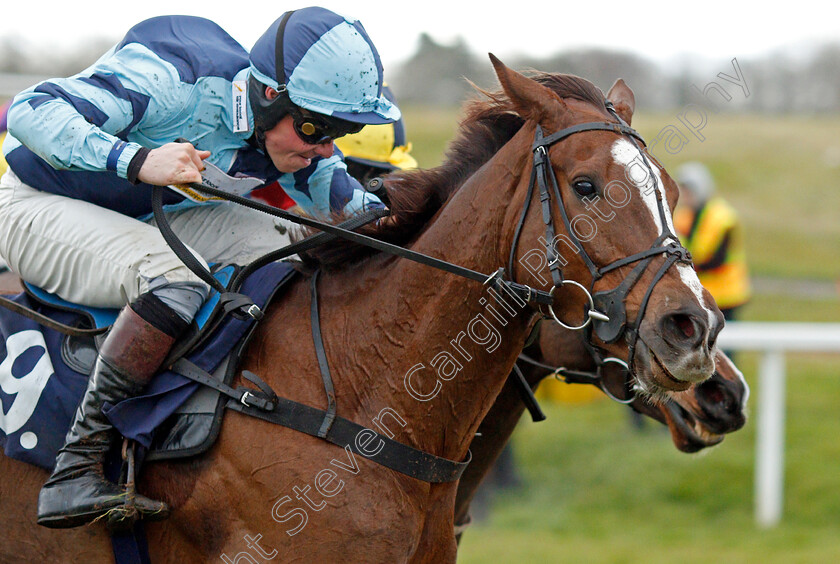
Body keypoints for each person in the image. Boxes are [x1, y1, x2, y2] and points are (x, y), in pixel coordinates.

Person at [0, 7, 399, 529]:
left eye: (340, 130)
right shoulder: (174, 78)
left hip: (145, 212)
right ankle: (77, 466)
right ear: (269, 95)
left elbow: (349, 208)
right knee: (175, 280)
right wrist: (138, 160)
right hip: (34, 203)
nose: (325, 147)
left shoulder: (292, 139)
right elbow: (33, 109)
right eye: (316, 128)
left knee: (288, 242)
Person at [674, 162, 752, 322]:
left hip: (726, 294)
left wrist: (684, 268)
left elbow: (717, 259)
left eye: (689, 190)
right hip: (697, 293)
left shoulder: (723, 217)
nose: (685, 195)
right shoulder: (682, 216)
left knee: (727, 341)